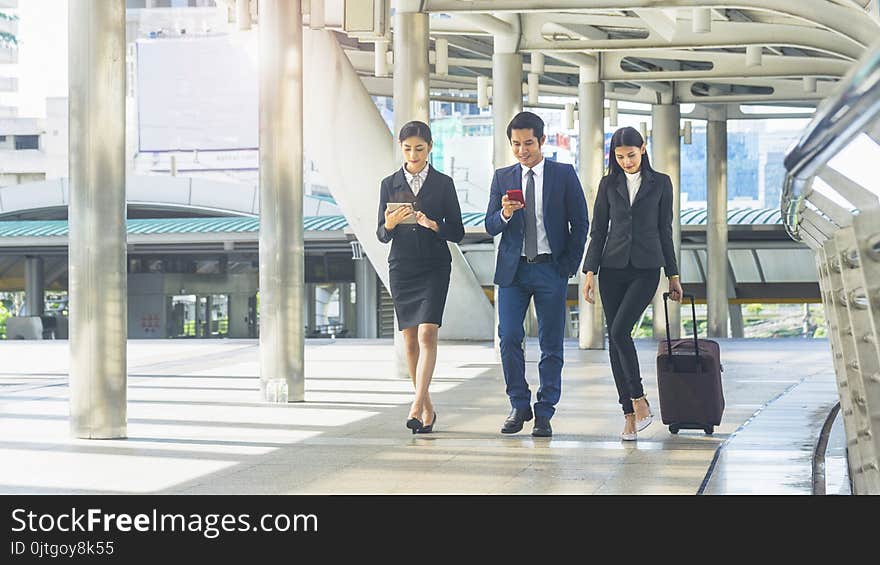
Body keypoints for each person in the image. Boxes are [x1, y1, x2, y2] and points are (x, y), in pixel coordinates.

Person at [485, 111, 589, 438]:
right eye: (515, 144)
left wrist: (567, 267)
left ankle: (545, 411)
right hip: (513, 272)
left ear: (542, 140)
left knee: (551, 343)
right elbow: (489, 225)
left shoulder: (563, 174)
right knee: (510, 337)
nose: (521, 150)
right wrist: (504, 213)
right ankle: (518, 403)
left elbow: (581, 223)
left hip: (550, 270)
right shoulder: (503, 177)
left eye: (528, 143)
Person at [581, 126, 684, 441]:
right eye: (620, 156)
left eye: (631, 155)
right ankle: (629, 414)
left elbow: (665, 230)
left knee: (621, 331)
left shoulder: (661, 183)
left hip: (646, 268)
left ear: (643, 149)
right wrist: (589, 272)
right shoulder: (608, 183)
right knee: (616, 339)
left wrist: (673, 275)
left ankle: (638, 398)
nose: (626, 162)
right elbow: (598, 229)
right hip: (611, 268)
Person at [377, 120, 464, 434]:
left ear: (430, 148)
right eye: (407, 148)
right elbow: (381, 235)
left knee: (428, 333)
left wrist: (433, 225)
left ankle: (415, 405)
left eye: (419, 148)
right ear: (401, 148)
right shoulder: (389, 183)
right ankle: (426, 406)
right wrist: (388, 224)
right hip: (402, 267)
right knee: (410, 340)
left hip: (434, 266)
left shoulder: (443, 183)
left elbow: (458, 231)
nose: (413, 154)